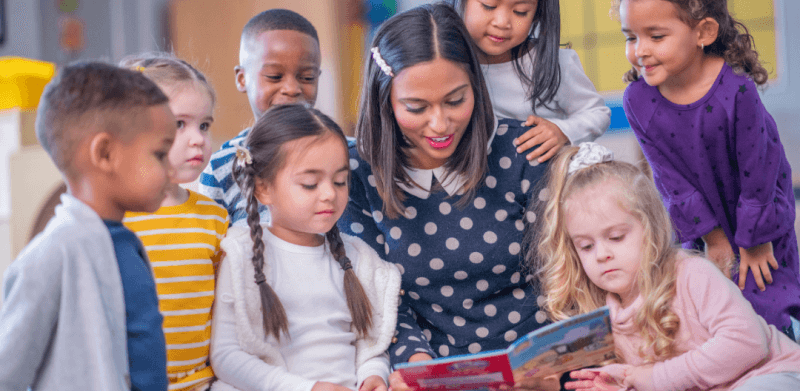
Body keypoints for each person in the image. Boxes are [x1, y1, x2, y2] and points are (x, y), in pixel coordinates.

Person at [338, 3, 558, 390]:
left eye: (455, 101)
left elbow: (559, 274)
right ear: (384, 100)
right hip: (431, 369)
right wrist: (419, 367)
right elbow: (379, 294)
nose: (440, 124)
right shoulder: (355, 174)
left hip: (537, 363)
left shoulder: (522, 150)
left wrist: (549, 361)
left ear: (476, 85)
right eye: (416, 107)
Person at [531, 142, 800, 391]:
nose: (602, 255)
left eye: (616, 237)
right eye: (586, 246)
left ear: (651, 231)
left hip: (768, 374)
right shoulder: (603, 316)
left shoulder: (692, 273)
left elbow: (749, 344)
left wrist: (652, 377)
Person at [618, 0, 800, 340]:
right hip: (699, 223)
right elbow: (670, 181)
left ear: (703, 32)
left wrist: (755, 240)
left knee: (767, 300)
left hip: (757, 214)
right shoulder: (637, 100)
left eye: (656, 36)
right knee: (705, 309)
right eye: (630, 37)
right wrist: (712, 238)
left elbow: (759, 170)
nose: (639, 50)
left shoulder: (738, 90)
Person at [0, 62, 173, 390]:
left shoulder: (124, 242)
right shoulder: (52, 253)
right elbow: (7, 372)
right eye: (160, 154)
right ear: (105, 153)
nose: (171, 170)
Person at [209, 104, 401, 391]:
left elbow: (370, 343)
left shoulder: (357, 259)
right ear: (263, 188)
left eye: (340, 181)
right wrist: (306, 388)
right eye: (310, 184)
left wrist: (373, 374)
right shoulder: (242, 255)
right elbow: (226, 356)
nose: (330, 194)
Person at [120, 53, 229, 391]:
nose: (197, 138)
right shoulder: (118, 216)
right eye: (180, 124)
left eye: (205, 125)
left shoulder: (215, 217)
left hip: (201, 382)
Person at [445, 0, 610, 163]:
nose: (502, 23)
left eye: (520, 11)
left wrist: (562, 131)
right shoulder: (447, 63)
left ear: (537, 14)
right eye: (489, 6)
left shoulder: (555, 64)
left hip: (548, 182)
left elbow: (597, 113)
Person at [199, 9, 321, 227]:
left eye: (307, 77)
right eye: (275, 77)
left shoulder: (348, 156)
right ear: (242, 79)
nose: (292, 88)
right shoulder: (222, 168)